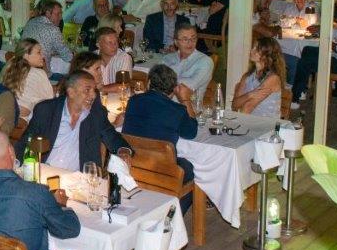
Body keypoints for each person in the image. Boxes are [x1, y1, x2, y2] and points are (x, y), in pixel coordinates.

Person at [121, 64, 199, 213]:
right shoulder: (177, 110)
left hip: (133, 165)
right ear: (173, 90)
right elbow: (191, 132)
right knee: (191, 168)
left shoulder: (133, 101)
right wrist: (185, 100)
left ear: (149, 82)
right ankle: (170, 216)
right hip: (161, 171)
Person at [20, 70, 130, 171]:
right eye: (87, 90)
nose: (93, 95)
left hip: (78, 179)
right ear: (71, 92)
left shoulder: (96, 114)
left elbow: (113, 137)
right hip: (44, 173)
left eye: (94, 90)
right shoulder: (46, 110)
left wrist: (123, 150)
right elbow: (25, 143)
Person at [159, 23, 215, 106]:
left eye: (193, 38)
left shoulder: (205, 61)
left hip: (187, 109)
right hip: (162, 105)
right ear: (176, 42)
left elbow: (189, 87)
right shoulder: (167, 59)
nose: (190, 43)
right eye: (185, 39)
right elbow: (155, 83)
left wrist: (164, 80)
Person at [0, 39, 56, 119]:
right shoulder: (38, 73)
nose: (43, 56)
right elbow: (49, 101)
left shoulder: (9, 66)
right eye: (39, 52)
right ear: (26, 55)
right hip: (23, 121)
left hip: (3, 114)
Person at [233, 36, 287, 118]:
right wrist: (251, 94)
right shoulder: (247, 76)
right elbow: (234, 105)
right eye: (253, 47)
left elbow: (248, 106)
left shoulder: (273, 78)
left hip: (267, 123)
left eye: (257, 49)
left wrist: (239, 123)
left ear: (266, 55)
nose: (251, 51)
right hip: (249, 120)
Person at [20, 0, 74, 70]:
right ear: (48, 13)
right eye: (58, 14)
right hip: (40, 72)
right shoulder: (53, 29)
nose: (61, 18)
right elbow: (68, 56)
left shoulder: (30, 22)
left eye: (61, 14)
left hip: (23, 69)